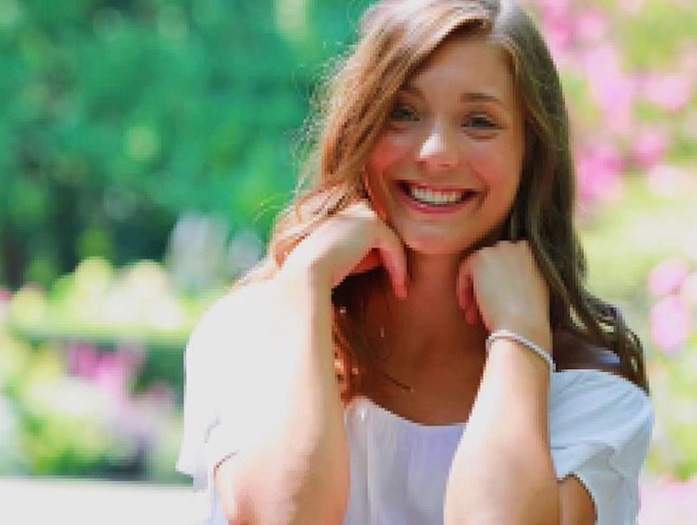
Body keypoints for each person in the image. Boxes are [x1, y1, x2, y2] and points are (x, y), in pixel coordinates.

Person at [177, 0, 654, 523]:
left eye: (479, 121)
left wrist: (519, 335)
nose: (436, 152)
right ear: (360, 125)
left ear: (531, 153)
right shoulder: (250, 333)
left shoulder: (588, 392)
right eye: (402, 113)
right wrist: (306, 284)